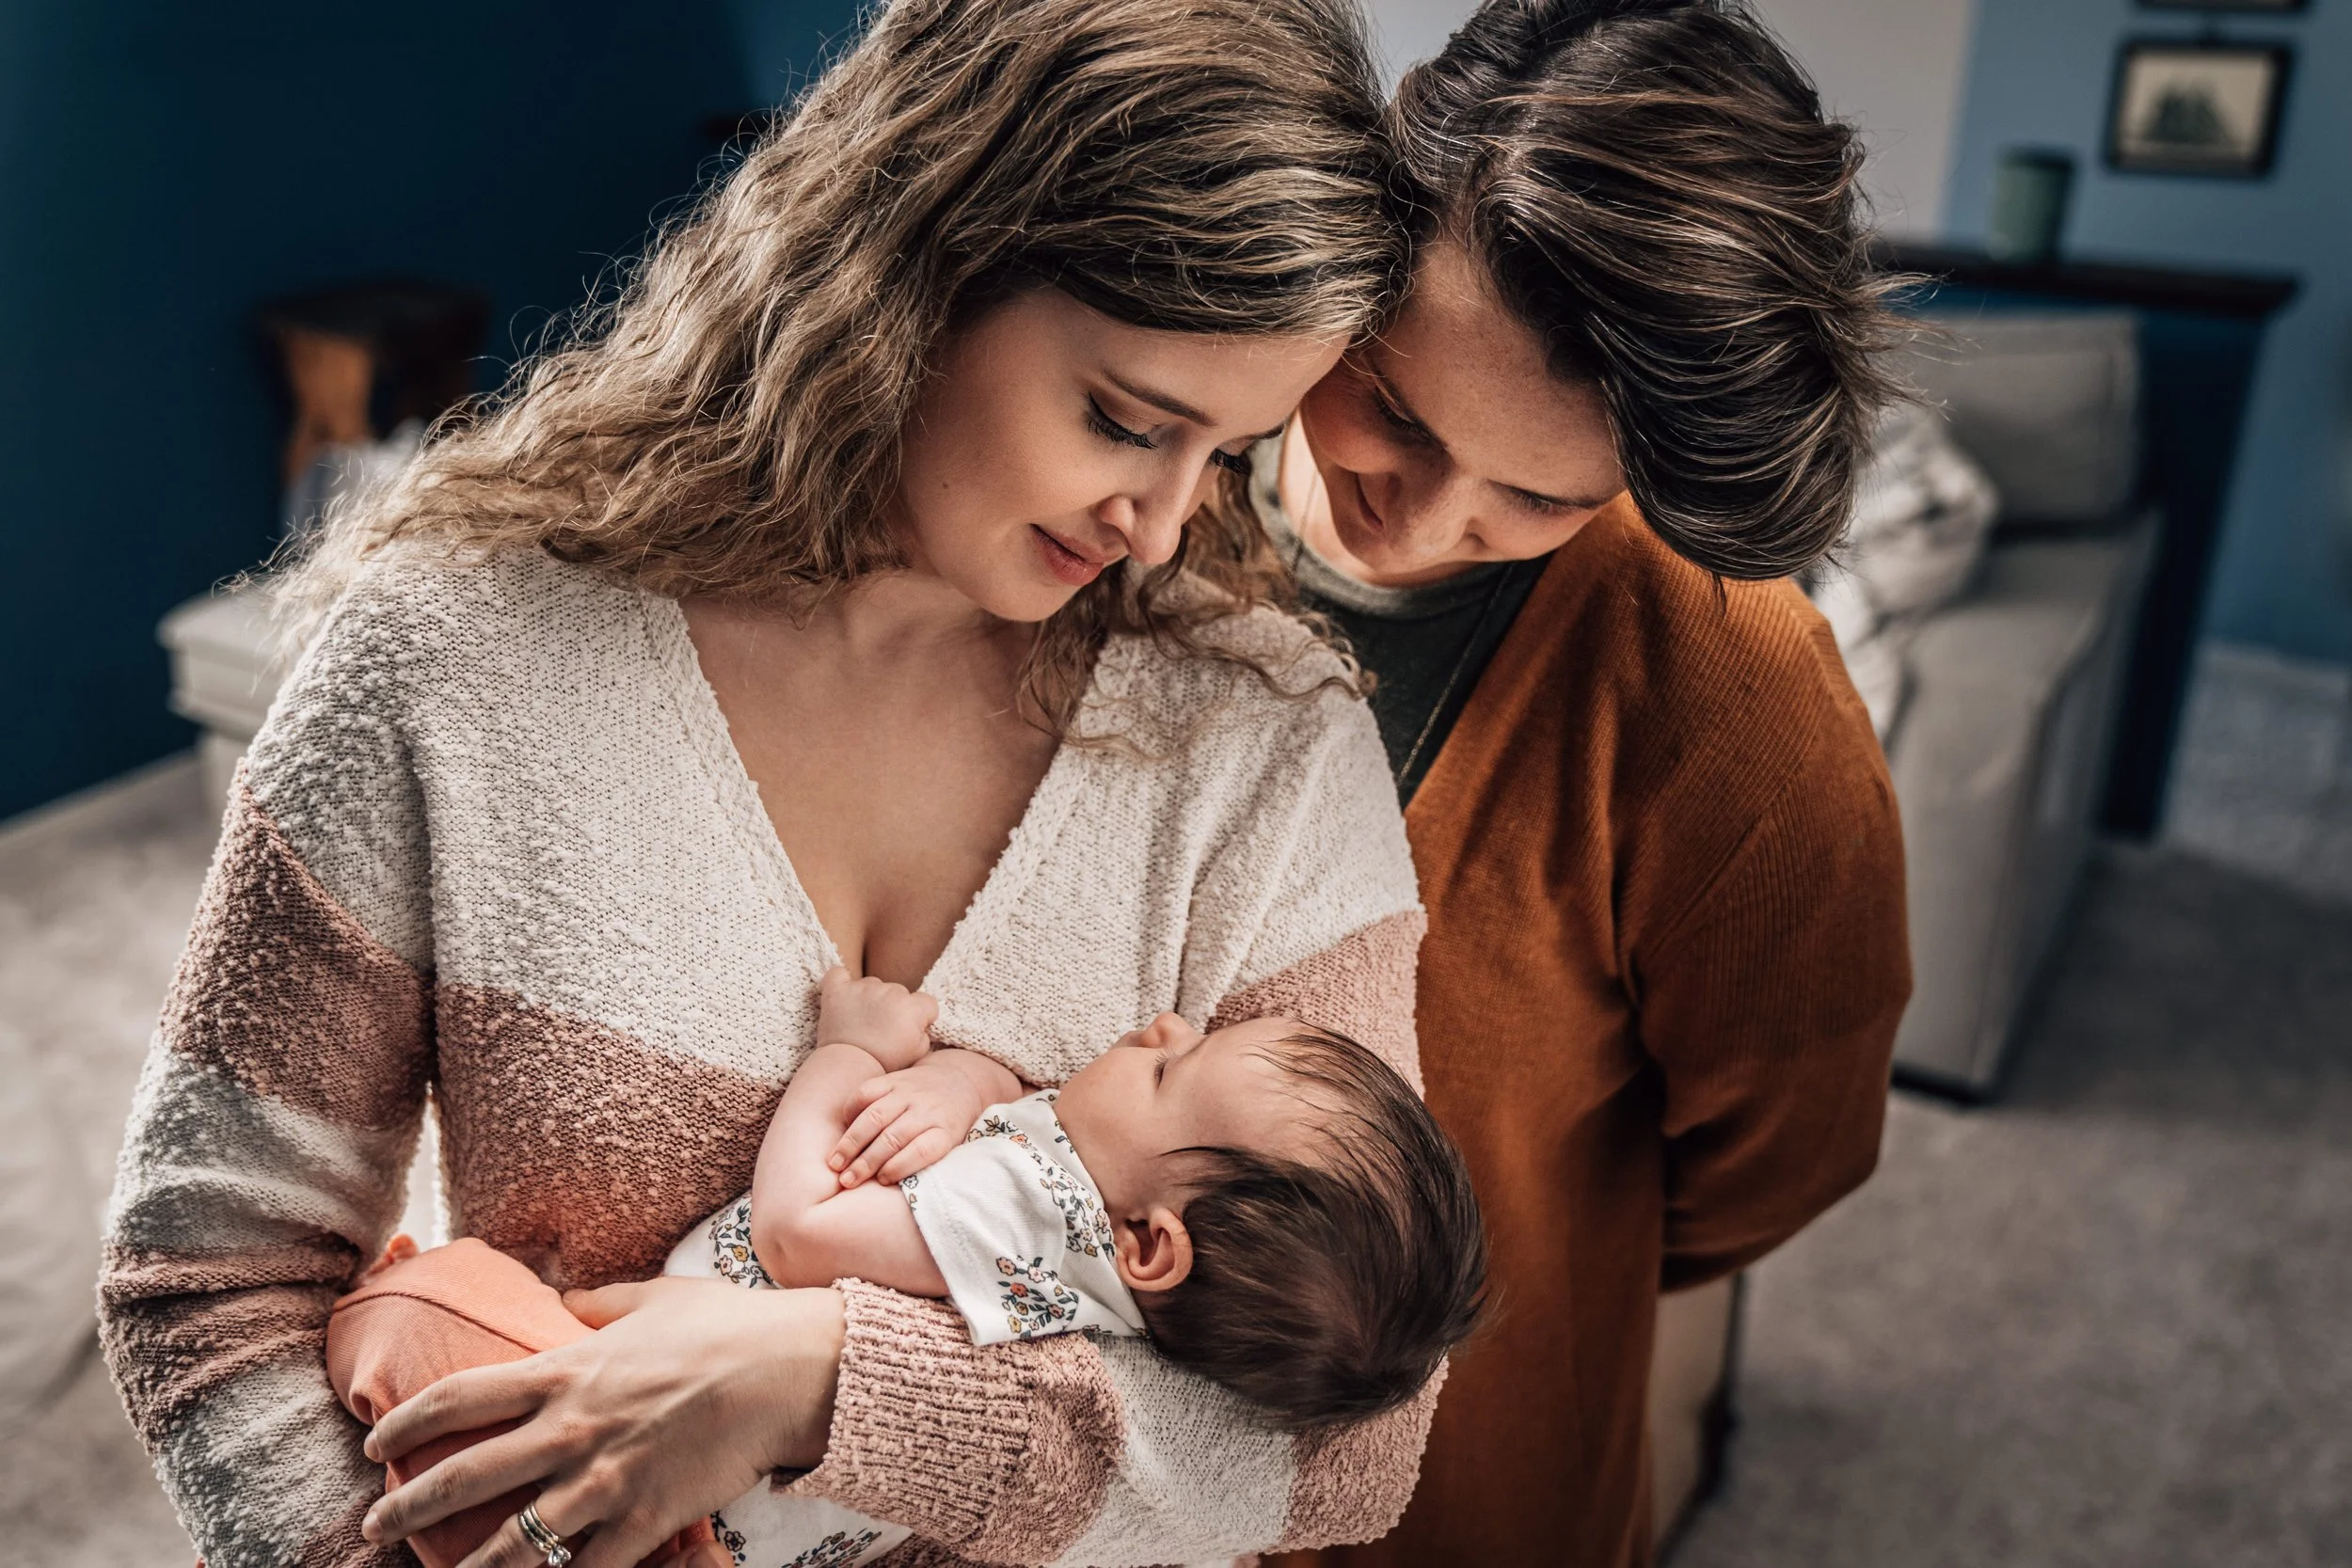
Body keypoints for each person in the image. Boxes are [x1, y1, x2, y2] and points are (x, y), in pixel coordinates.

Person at [96, 2, 1444, 1564]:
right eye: (1129, 421)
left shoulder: (1270, 742)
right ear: (916, 261)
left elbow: (1355, 1451)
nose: (1157, 525)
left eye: (1224, 455)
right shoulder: (455, 651)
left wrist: (812, 1381)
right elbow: (209, 1284)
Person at [1262, 3, 1913, 1564]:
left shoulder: (1736, 696)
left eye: (1540, 493)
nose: (1417, 524)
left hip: (1459, 1482)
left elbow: (1779, 1149)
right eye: (1395, 409)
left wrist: (1541, 1245)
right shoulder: (1146, 467)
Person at [326, 974, 1486, 1567]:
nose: (1165, 1025)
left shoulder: (1030, 1212)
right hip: (729, 1521)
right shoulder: (1084, 1272)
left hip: (657, 1483)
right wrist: (965, 1082)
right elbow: (1007, 1121)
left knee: (426, 1307)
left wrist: (846, 1051)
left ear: (1145, 1242)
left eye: (1171, 1075)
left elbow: (799, 1232)